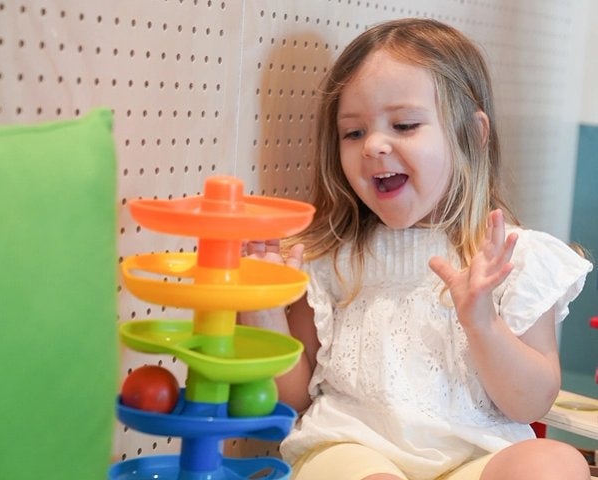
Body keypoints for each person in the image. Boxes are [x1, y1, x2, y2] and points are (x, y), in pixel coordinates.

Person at [240, 18, 593, 480]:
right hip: (352, 451)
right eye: (353, 132)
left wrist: (482, 322)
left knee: (556, 463)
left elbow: (532, 402)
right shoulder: (329, 258)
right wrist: (262, 311)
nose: (375, 145)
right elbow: (293, 402)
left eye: (404, 124)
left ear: (472, 134)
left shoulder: (514, 258)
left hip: (475, 457)